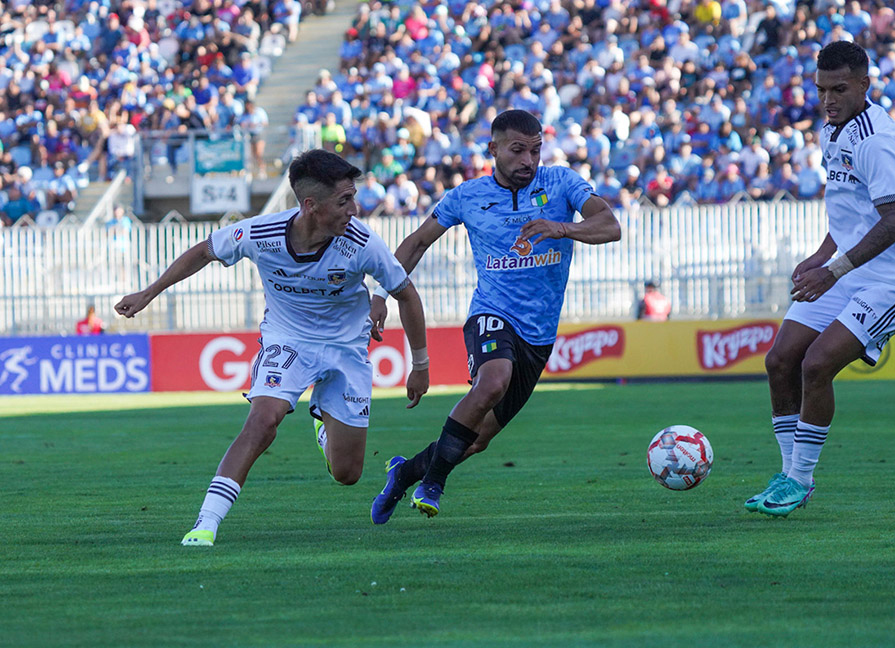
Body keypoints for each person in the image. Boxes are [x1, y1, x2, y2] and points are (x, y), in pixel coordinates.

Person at [114, 150, 430, 546]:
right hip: (288, 339)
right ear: (310, 205)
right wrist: (149, 292)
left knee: (347, 473)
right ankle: (205, 524)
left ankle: (321, 422)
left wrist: (420, 364)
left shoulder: (362, 243)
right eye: (345, 200)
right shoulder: (261, 233)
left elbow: (408, 295)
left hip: (347, 347)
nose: (355, 208)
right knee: (263, 422)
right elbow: (203, 252)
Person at [368, 110, 620, 522]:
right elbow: (415, 244)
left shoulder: (561, 184)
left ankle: (405, 473)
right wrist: (381, 293)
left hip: (539, 335)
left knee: (477, 439)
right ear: (494, 149)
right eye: (518, 150)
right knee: (493, 380)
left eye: (535, 150)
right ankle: (433, 483)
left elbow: (610, 225)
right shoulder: (467, 196)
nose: (528, 160)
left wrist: (562, 228)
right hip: (492, 312)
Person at [745, 41, 895, 517]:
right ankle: (789, 477)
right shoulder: (833, 132)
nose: (828, 99)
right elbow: (850, 211)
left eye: (839, 89)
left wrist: (833, 270)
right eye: (821, 89)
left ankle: (799, 479)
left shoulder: (879, 141)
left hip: (893, 279)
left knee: (816, 365)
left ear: (865, 86)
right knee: (780, 360)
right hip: (845, 270)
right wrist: (820, 255)